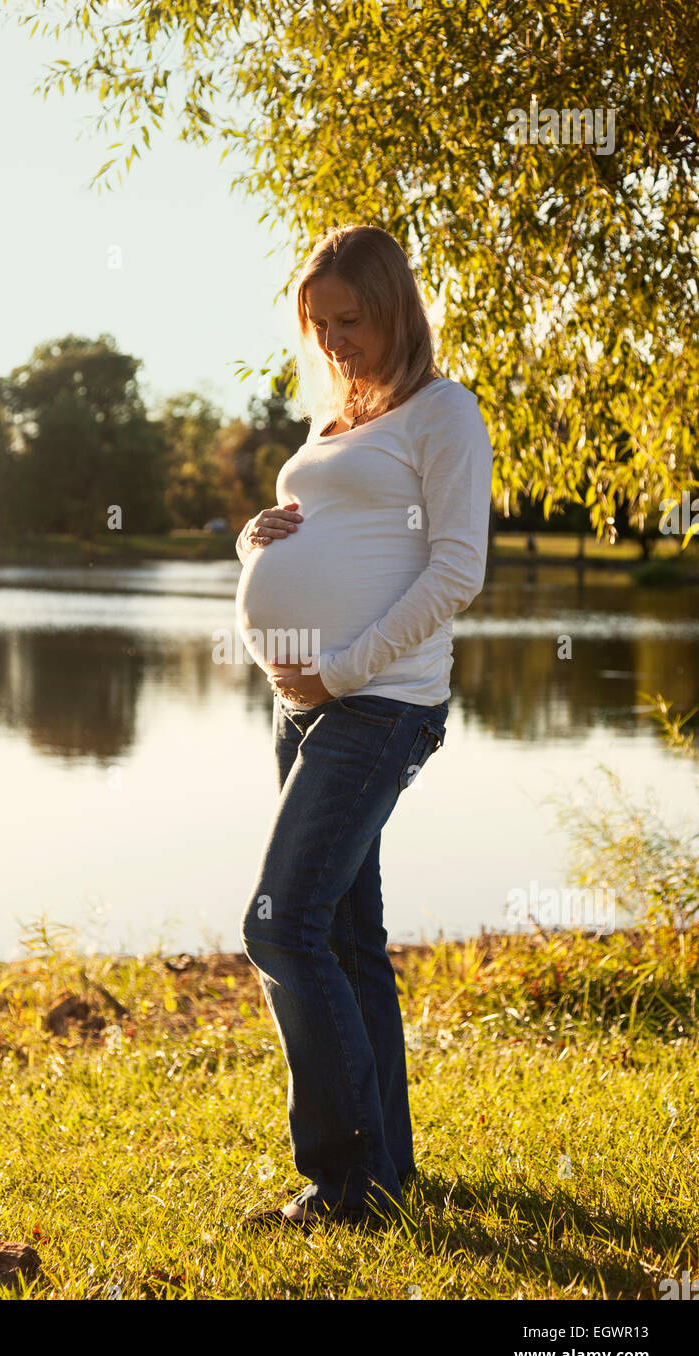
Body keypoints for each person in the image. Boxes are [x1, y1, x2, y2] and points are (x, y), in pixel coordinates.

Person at [234, 224, 494, 1229]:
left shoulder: (442, 411)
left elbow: (454, 570)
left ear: (395, 309)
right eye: (319, 324)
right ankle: (389, 1163)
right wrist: (260, 541)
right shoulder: (338, 417)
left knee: (279, 922)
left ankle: (349, 1185)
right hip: (302, 707)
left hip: (377, 704)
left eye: (354, 319)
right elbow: (317, 536)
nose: (337, 340)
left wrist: (338, 669)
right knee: (345, 938)